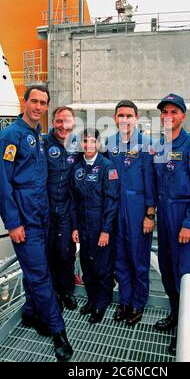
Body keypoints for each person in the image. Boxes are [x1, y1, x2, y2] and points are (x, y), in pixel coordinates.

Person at [0, 85, 73, 362]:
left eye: (43, 103)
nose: (38, 106)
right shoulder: (10, 137)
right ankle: (58, 332)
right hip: (25, 222)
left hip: (42, 217)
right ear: (24, 102)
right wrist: (13, 223)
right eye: (34, 101)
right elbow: (1, 184)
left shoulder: (37, 136)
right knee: (39, 274)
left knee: (36, 270)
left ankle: (30, 313)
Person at [153, 93, 190, 333]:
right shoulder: (158, 146)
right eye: (164, 112)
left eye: (173, 112)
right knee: (167, 268)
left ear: (183, 116)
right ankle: (176, 315)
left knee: (185, 272)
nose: (168, 116)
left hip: (183, 215)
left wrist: (189, 221)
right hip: (164, 215)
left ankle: (187, 328)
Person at [106, 100, 157, 325]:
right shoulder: (110, 144)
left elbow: (151, 181)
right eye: (120, 115)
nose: (124, 120)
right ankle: (124, 301)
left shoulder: (147, 144)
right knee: (120, 259)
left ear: (136, 118)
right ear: (115, 118)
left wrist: (149, 214)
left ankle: (138, 303)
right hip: (116, 208)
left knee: (138, 259)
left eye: (129, 115)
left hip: (138, 209)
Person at [71, 128, 119, 324]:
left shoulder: (108, 167)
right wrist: (74, 227)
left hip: (101, 227)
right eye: (85, 142)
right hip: (83, 227)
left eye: (92, 141)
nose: (89, 145)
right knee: (87, 265)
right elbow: (73, 201)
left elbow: (112, 200)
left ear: (98, 144)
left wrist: (106, 230)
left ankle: (101, 303)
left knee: (102, 267)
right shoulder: (77, 168)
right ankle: (92, 299)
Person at [44, 106, 81, 311]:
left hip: (67, 210)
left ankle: (67, 291)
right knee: (47, 253)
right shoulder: (42, 143)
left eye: (67, 121)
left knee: (65, 253)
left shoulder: (78, 144)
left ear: (73, 123)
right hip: (46, 209)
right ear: (52, 123)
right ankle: (52, 295)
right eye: (59, 121)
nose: (63, 126)